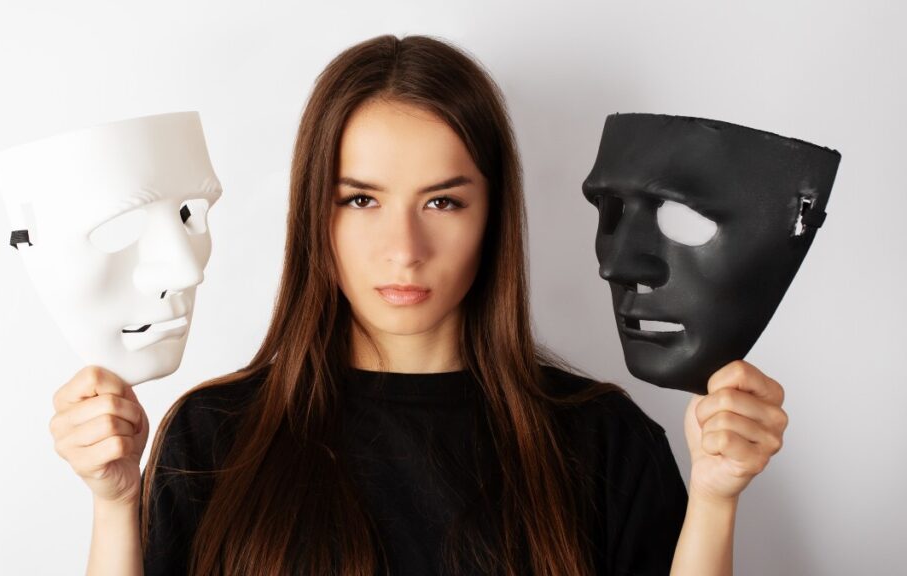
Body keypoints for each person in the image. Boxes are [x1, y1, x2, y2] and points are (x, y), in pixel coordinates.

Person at [49, 35, 788, 576]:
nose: (403, 249)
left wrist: (715, 499)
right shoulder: (214, 437)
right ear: (314, 214)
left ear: (493, 215)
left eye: (442, 201)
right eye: (360, 200)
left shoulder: (604, 441)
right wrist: (115, 503)